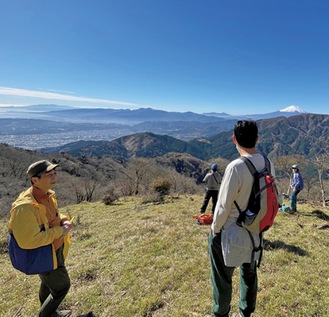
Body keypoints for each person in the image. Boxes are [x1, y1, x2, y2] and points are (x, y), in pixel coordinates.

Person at [208, 120, 276, 317]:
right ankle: (245, 312)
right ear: (257, 138)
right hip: (255, 230)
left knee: (222, 278)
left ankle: (220, 312)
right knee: (249, 273)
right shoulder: (268, 162)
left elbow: (222, 205)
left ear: (234, 139)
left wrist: (215, 229)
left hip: (230, 231)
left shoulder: (235, 167)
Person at [8, 160, 73, 317]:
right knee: (62, 286)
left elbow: (49, 219)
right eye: (49, 175)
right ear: (35, 180)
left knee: (47, 283)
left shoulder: (48, 195)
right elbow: (29, 241)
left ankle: (51, 313)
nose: (54, 177)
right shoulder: (24, 207)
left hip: (54, 249)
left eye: (54, 173)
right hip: (42, 253)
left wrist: (63, 219)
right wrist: (60, 231)